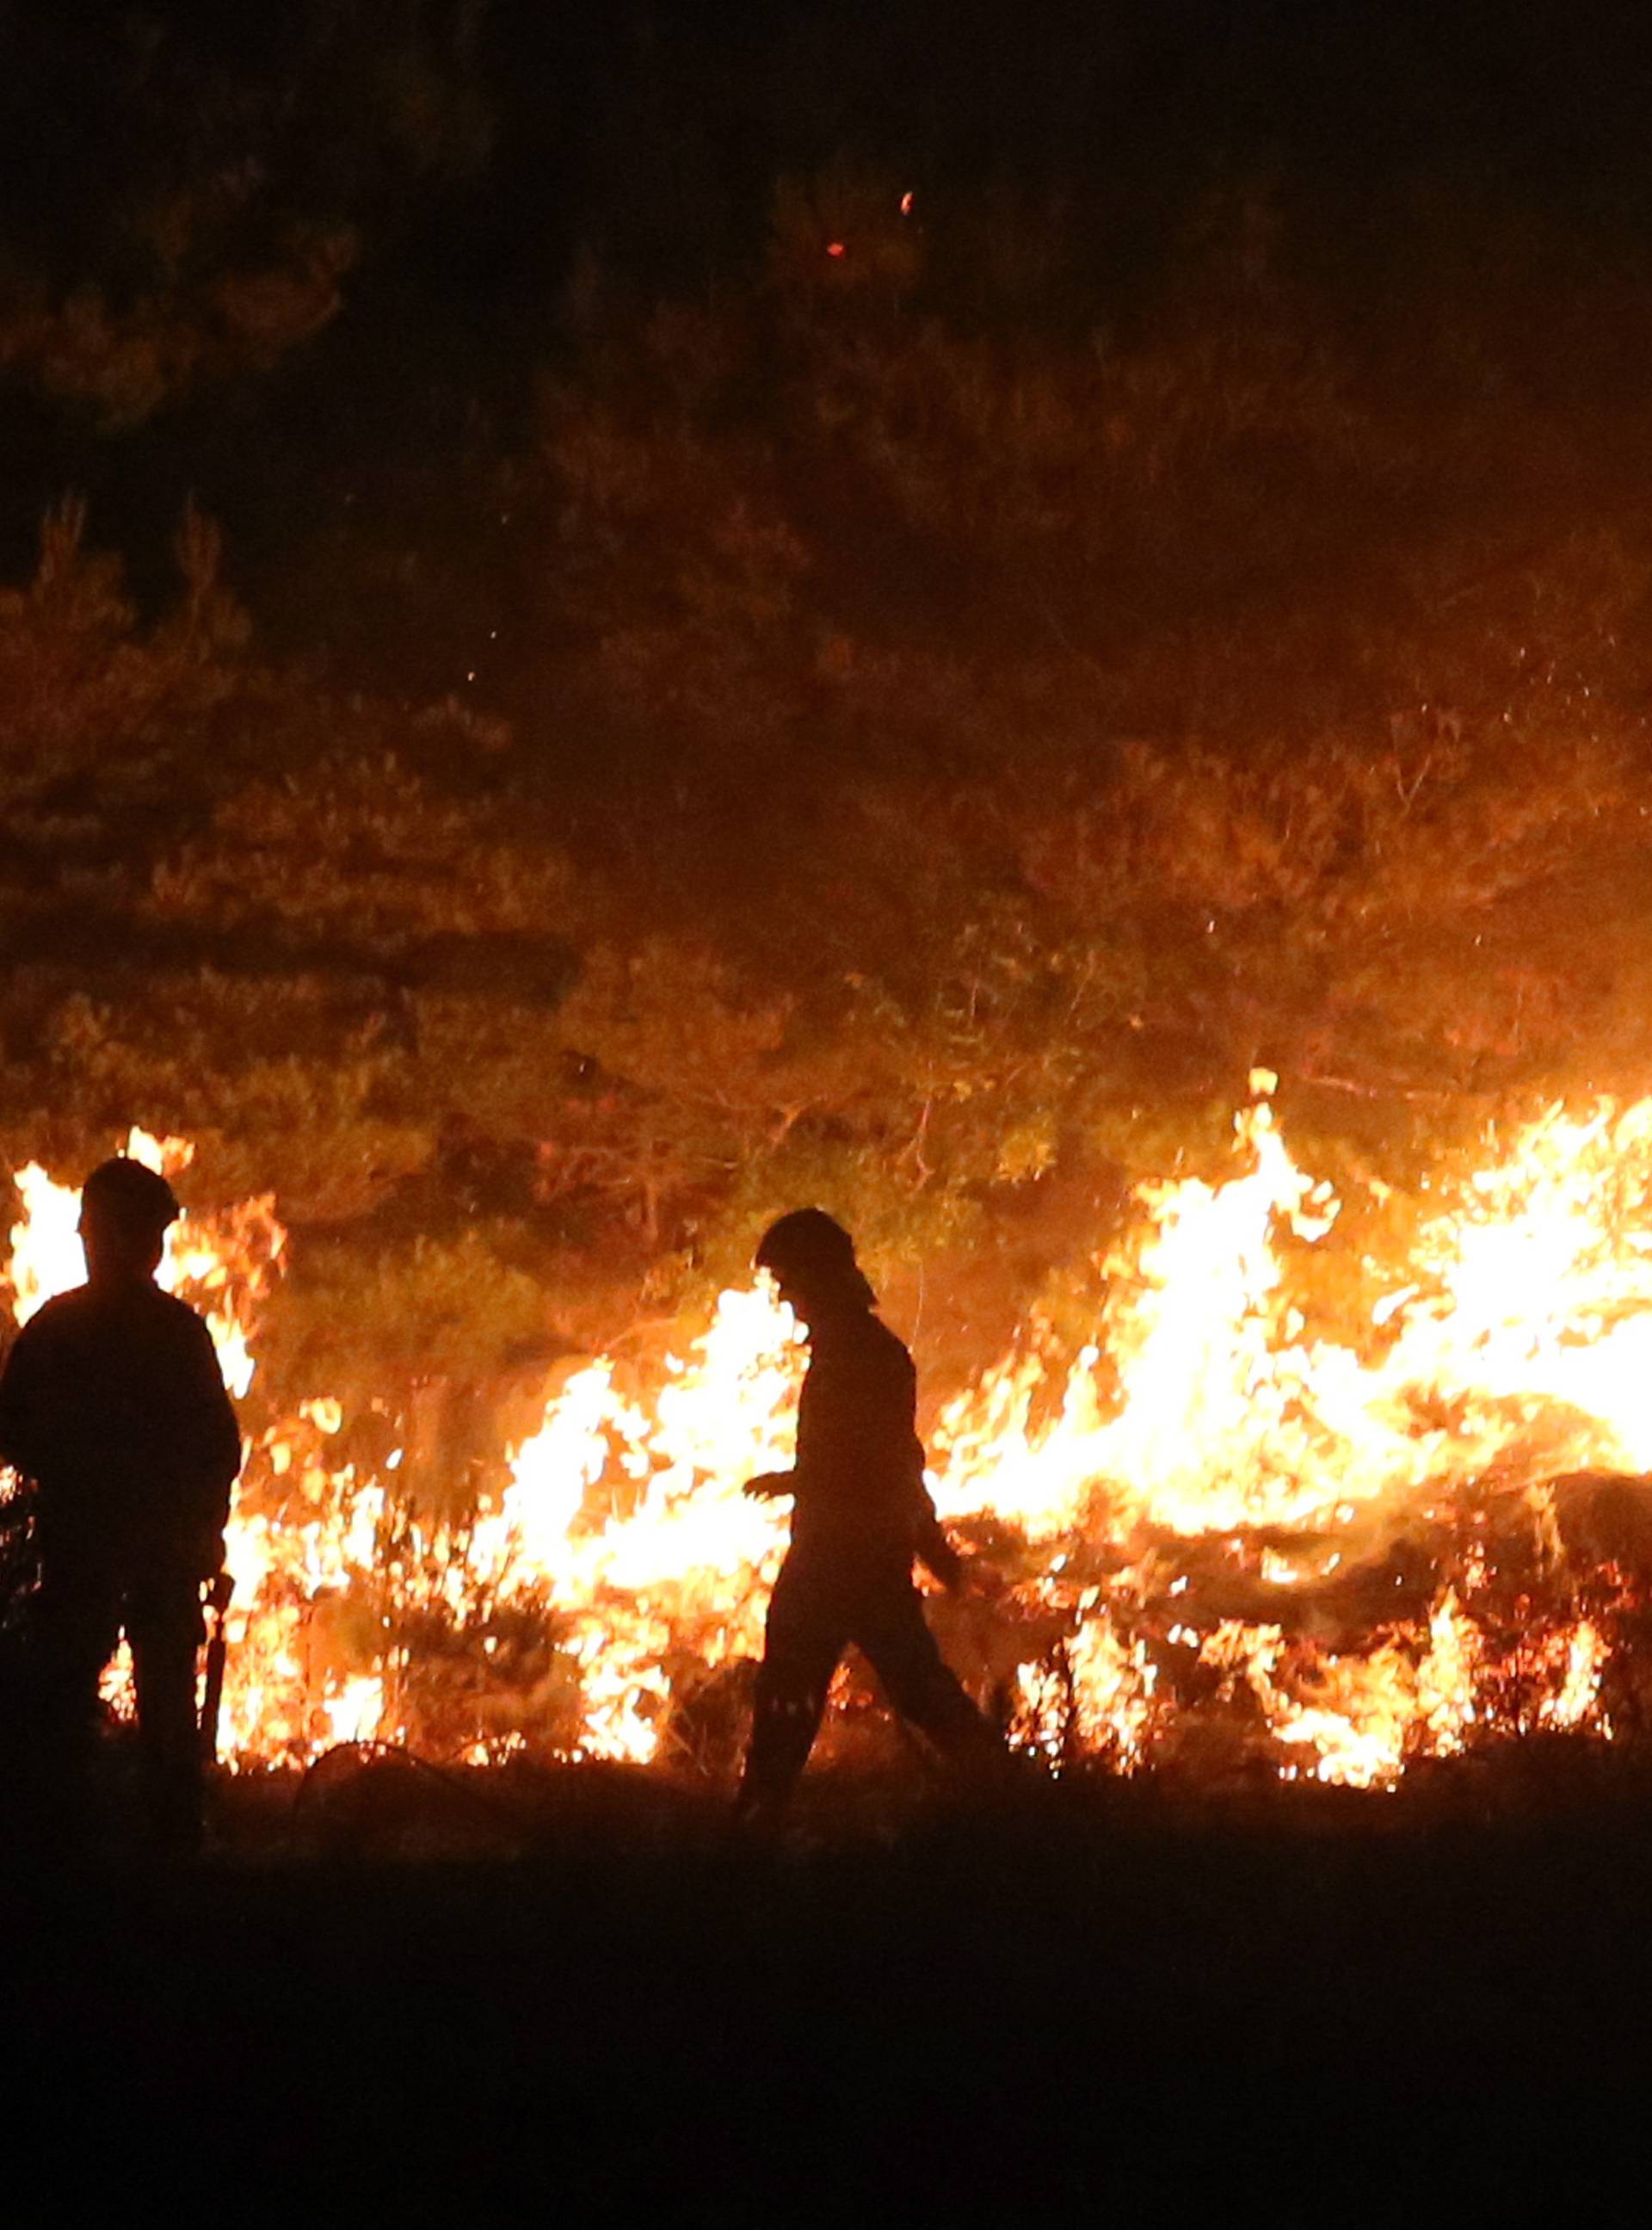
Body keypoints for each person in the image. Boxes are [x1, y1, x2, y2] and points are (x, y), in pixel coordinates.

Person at [0, 1156, 242, 1849]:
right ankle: (164, 1844)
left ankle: (63, 1844)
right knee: (154, 1702)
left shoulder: (56, 1330)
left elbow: (15, 1433)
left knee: (65, 1704)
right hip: (141, 1549)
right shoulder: (174, 1333)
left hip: (88, 1547)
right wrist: (202, 1530)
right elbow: (215, 1450)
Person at [737, 1208, 998, 1820]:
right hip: (852, 1557)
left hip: (843, 1559)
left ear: (817, 1277)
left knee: (801, 1696)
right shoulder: (852, 1351)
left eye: (789, 1281)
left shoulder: (866, 1356)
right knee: (896, 1690)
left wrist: (796, 1480)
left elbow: (886, 1463)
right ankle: (1016, 1795)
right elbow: (895, 1465)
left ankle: (755, 1824)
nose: (786, 1297)